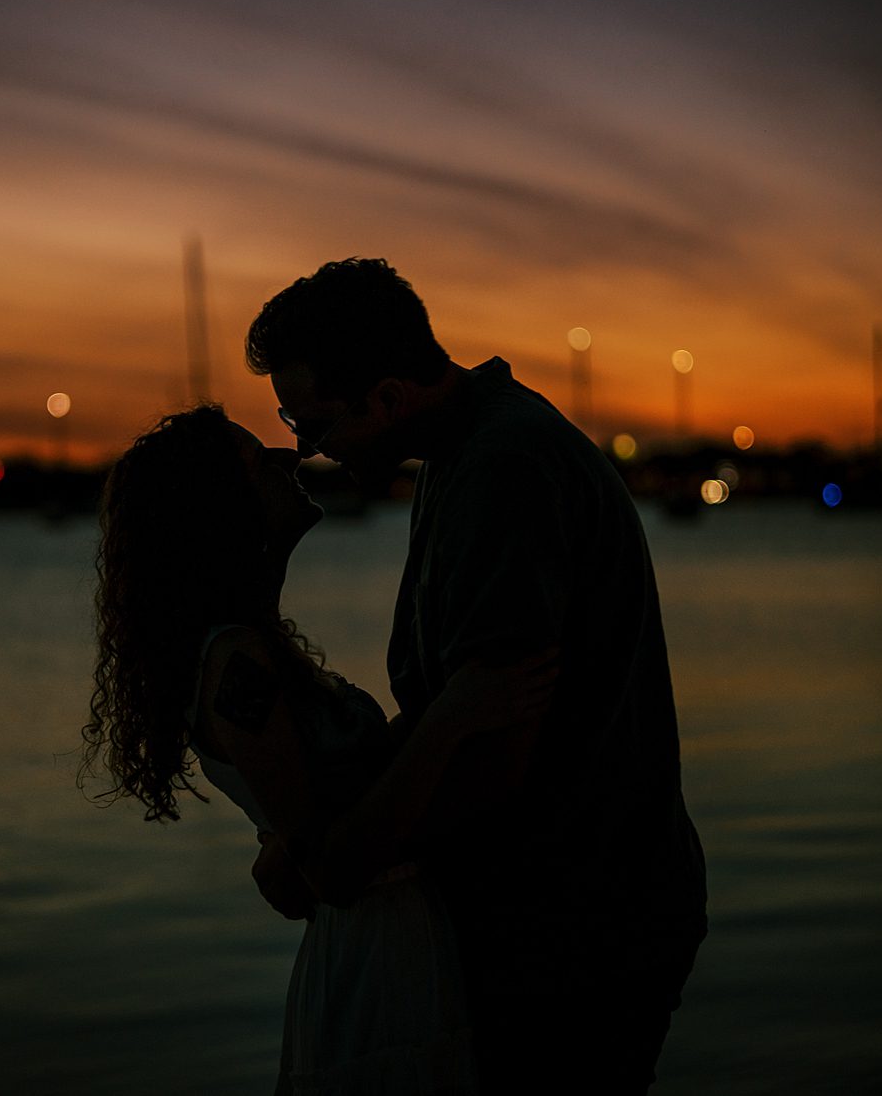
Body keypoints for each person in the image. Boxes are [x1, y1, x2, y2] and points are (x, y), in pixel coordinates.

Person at [246, 258, 708, 1093]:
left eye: (312, 426)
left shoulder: (505, 471)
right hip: (567, 920)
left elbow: (493, 755)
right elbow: (447, 709)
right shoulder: (470, 451)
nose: (307, 450)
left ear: (387, 399)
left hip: (578, 935)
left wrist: (332, 856)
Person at [83, 404, 556, 1094]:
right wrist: (451, 719)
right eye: (258, 460)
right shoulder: (237, 664)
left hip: (394, 940)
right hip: (374, 960)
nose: (289, 456)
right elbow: (333, 872)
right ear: (219, 506)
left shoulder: (255, 645)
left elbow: (327, 811)